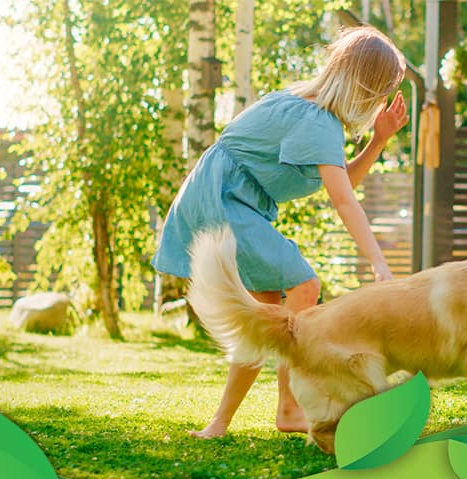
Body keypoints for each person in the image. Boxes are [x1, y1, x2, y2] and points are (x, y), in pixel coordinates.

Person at [151, 26, 409, 437]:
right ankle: (290, 409)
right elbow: (343, 202)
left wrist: (378, 141)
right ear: (366, 86)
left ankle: (219, 424)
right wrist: (378, 261)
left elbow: (340, 186)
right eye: (383, 90)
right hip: (224, 198)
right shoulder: (319, 122)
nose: (381, 101)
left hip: (225, 197)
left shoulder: (310, 111)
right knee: (303, 284)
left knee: (267, 314)